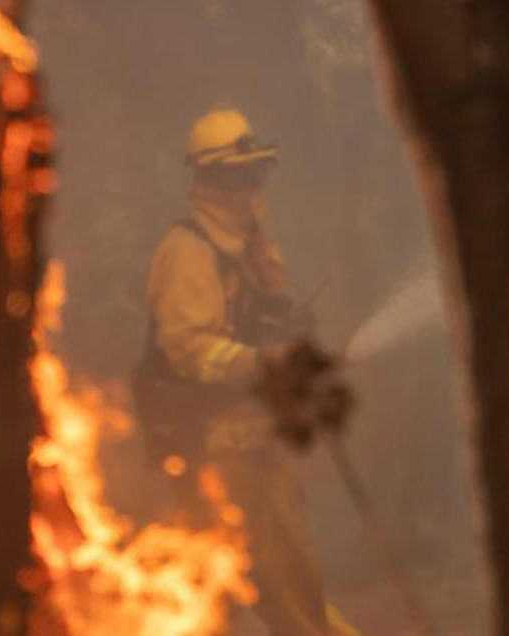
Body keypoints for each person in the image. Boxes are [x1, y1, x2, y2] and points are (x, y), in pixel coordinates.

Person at [133, 107, 360, 636]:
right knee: (259, 580)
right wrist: (260, 361)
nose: (255, 185)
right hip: (217, 447)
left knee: (263, 580)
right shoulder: (188, 250)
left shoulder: (249, 243)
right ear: (212, 177)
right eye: (243, 174)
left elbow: (260, 320)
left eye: (259, 172)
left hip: (255, 439)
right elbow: (188, 348)